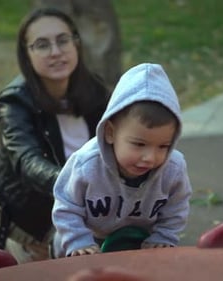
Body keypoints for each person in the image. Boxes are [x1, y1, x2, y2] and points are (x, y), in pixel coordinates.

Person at [0, 7, 110, 263]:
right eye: (42, 45)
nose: (56, 52)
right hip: (35, 212)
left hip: (91, 206)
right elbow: (26, 161)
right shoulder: (14, 101)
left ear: (76, 43)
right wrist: (75, 183)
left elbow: (118, 143)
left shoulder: (95, 89)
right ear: (27, 54)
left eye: (63, 40)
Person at [52, 63, 193, 258]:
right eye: (139, 144)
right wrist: (78, 241)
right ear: (110, 132)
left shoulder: (173, 168)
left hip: (141, 244)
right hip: (87, 242)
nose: (150, 158)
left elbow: (176, 207)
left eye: (163, 146)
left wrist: (164, 237)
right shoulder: (86, 164)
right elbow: (66, 206)